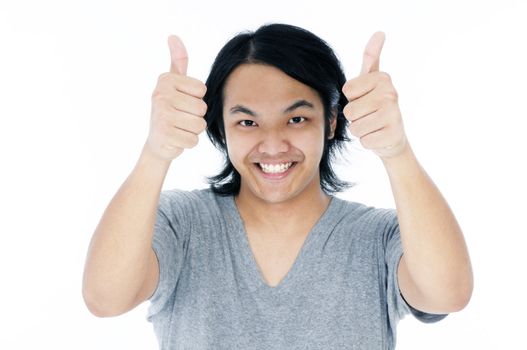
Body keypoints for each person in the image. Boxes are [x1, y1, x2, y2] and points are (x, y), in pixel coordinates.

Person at [82, 24, 473, 349]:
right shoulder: (181, 224)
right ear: (220, 128)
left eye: (297, 119)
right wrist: (155, 153)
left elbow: (448, 294)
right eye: (247, 122)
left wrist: (396, 151)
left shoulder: (376, 238)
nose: (272, 145)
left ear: (332, 122)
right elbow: (105, 298)